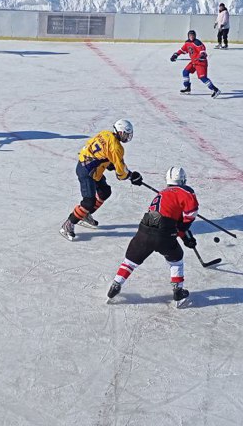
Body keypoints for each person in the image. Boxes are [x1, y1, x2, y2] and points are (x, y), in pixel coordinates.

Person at [107, 166, 198, 305]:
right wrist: (184, 235)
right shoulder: (186, 191)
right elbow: (190, 214)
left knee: (130, 262)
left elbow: (169, 216)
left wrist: (185, 236)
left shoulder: (162, 193)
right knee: (176, 260)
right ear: (183, 180)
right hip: (164, 233)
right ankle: (178, 291)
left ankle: (116, 285)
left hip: (145, 228)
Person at [60, 119, 142, 241]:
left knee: (105, 191)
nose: (127, 137)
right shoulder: (117, 148)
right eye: (125, 134)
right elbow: (121, 174)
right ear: (119, 132)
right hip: (88, 171)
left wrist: (109, 164)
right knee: (88, 201)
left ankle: (84, 215)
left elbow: (98, 150)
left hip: (89, 166)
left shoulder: (105, 133)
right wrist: (132, 176)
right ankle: (68, 224)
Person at [170, 30, 221, 97]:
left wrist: (202, 55)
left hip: (201, 62)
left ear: (195, 36)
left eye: (193, 35)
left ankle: (215, 90)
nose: (191, 36)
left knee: (202, 77)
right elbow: (182, 50)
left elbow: (202, 50)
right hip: (194, 62)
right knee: (185, 72)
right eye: (190, 35)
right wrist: (176, 54)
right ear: (188, 36)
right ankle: (187, 88)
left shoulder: (197, 43)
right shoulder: (187, 43)